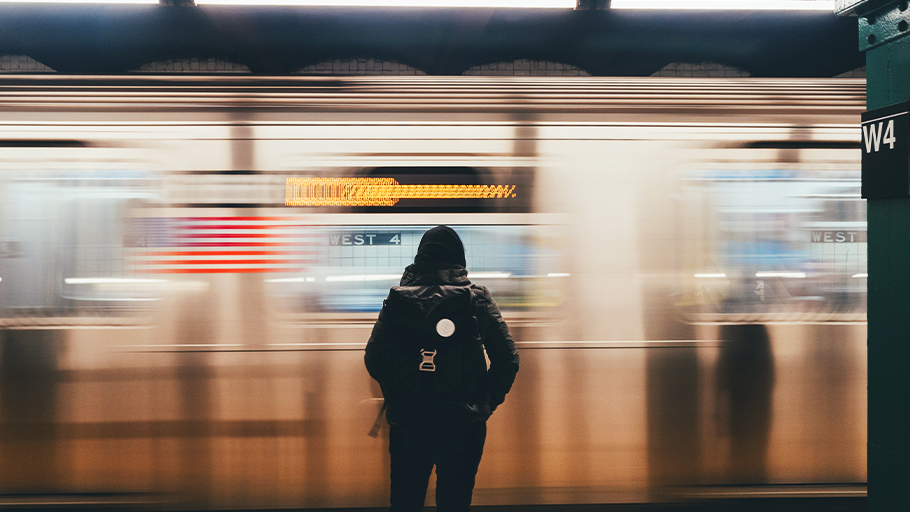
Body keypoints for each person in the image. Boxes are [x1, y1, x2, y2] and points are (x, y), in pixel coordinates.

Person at [365, 225, 519, 512]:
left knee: (406, 502)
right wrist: (483, 403)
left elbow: (373, 359)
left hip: (409, 424)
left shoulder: (398, 300)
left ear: (420, 258)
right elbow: (508, 360)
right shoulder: (478, 299)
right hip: (463, 425)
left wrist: (399, 398)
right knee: (454, 502)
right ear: (459, 260)